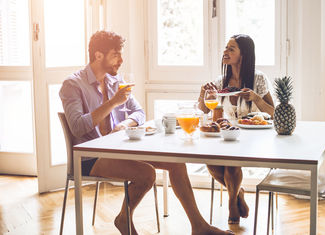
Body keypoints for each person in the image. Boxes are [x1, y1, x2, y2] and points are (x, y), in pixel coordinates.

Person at [60, 30, 233, 235]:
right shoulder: (72, 84)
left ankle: (199, 226)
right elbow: (78, 127)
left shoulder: (115, 81)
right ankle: (124, 219)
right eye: (116, 54)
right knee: (146, 174)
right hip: (88, 157)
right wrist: (113, 102)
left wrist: (126, 123)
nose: (121, 60)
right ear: (98, 55)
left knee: (176, 163)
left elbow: (139, 112)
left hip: (117, 148)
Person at [198, 34, 275, 224]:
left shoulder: (258, 79)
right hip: (225, 137)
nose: (225, 52)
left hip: (251, 138)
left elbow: (273, 113)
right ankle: (238, 193)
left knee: (230, 163)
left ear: (244, 54)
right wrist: (202, 94)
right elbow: (204, 109)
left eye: (231, 49)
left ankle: (232, 204)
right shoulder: (220, 82)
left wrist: (256, 98)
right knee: (211, 163)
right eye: (226, 48)